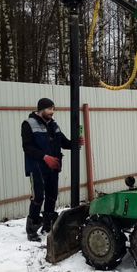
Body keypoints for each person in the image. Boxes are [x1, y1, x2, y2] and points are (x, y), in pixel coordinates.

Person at [21, 98, 83, 242]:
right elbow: (27, 147)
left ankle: (48, 225)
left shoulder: (54, 125)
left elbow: (64, 142)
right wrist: (44, 157)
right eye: (49, 109)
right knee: (38, 197)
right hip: (37, 166)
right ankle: (32, 229)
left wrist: (75, 143)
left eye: (53, 109)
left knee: (52, 195)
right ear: (41, 109)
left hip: (53, 167)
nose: (52, 112)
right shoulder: (28, 124)